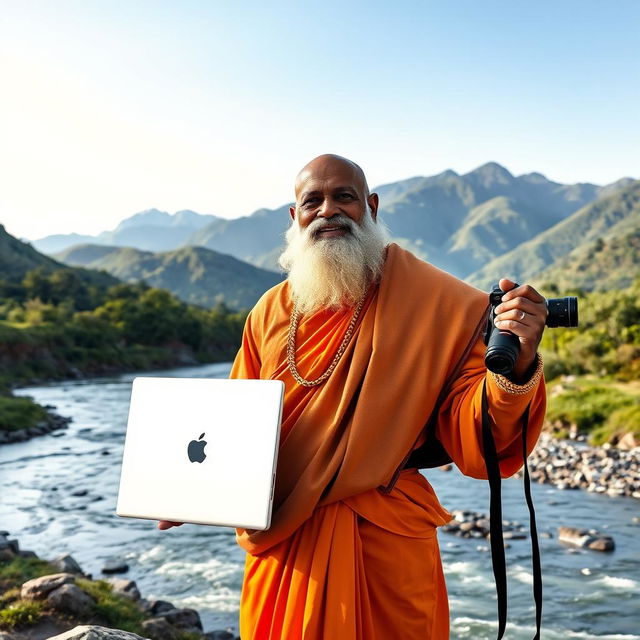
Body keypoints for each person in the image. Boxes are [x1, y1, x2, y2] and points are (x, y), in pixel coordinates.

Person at [159, 154, 547, 639]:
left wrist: (519, 363)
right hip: (285, 541)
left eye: (344, 197)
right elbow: (235, 427)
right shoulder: (268, 312)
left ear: (371, 207)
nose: (328, 211)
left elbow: (474, 433)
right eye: (312, 201)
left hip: (385, 540)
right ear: (294, 217)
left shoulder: (439, 304)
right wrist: (189, 489)